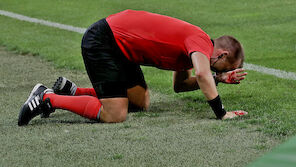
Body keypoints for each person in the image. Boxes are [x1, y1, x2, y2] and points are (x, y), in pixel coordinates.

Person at [18, 10, 248, 126]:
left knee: (140, 103)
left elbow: (180, 86)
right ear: (222, 54)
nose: (222, 72)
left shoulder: (194, 52)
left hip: (122, 49)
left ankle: (74, 92)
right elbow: (201, 74)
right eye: (225, 68)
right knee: (115, 113)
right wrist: (222, 113)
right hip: (105, 40)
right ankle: (47, 97)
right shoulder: (201, 43)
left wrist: (217, 79)